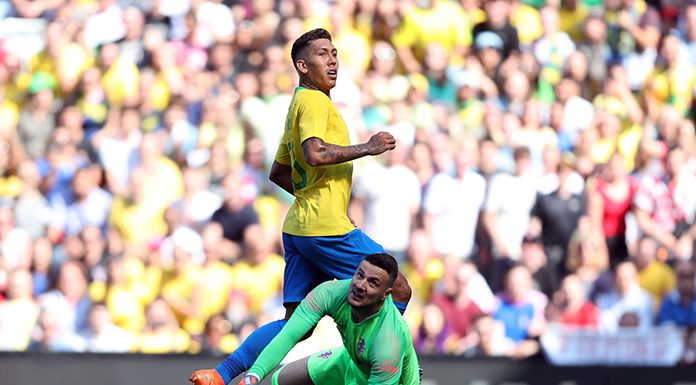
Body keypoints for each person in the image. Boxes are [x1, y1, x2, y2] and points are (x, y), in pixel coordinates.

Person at [190, 28, 412, 385]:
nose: (333, 60)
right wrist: (367, 147)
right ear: (302, 65)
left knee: (296, 322)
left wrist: (313, 199)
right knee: (397, 287)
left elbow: (278, 172)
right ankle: (380, 366)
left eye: (335, 53)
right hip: (324, 228)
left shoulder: (298, 104)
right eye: (323, 54)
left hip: (299, 228)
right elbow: (315, 153)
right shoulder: (313, 102)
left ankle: (222, 374)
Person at [235, 253, 420, 385]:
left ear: (385, 295)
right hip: (351, 361)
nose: (360, 285)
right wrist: (252, 377)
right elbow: (287, 337)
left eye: (372, 283)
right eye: (360, 275)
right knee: (283, 379)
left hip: (390, 379)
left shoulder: (388, 343)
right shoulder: (330, 293)